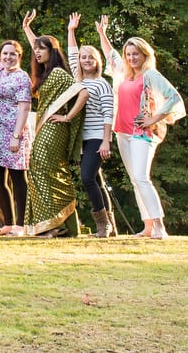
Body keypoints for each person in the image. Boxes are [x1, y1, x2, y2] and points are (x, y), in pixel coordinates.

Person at [95, 16, 186, 239]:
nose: (132, 57)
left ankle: (160, 226)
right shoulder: (123, 74)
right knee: (135, 179)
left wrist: (153, 119)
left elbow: (174, 98)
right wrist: (102, 34)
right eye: (129, 54)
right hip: (123, 132)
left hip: (142, 133)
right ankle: (147, 227)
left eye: (136, 54)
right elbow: (111, 55)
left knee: (141, 177)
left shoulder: (150, 75)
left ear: (145, 55)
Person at [21, 11, 84, 237]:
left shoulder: (59, 73)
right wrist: (27, 29)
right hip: (46, 128)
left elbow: (82, 92)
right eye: (35, 48)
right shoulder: (47, 73)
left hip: (54, 128)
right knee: (40, 170)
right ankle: (52, 224)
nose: (36, 52)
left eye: (42, 49)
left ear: (52, 51)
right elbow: (37, 48)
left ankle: (55, 223)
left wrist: (67, 117)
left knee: (45, 170)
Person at [66, 12, 116, 238]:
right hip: (82, 137)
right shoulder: (79, 80)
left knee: (87, 177)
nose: (86, 60)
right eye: (84, 57)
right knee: (96, 179)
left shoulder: (101, 84)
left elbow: (109, 113)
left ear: (98, 61)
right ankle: (110, 225)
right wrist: (71, 31)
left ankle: (102, 224)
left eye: (91, 58)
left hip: (97, 136)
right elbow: (72, 55)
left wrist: (106, 140)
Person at [0, 5, 31, 235]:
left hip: (13, 132)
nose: (8, 57)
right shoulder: (0, 70)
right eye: (6, 54)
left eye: (13, 54)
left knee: (17, 177)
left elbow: (24, 108)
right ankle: (8, 222)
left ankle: (21, 224)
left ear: (19, 56)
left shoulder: (22, 78)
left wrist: (16, 136)